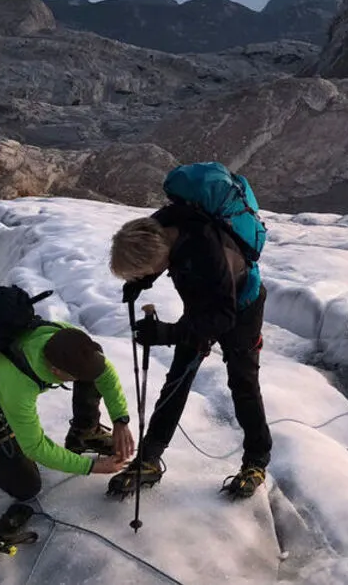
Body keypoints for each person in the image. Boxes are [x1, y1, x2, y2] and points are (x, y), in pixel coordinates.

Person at [106, 202, 272, 500]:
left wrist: (168, 333)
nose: (149, 273)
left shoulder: (208, 253)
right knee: (179, 377)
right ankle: (149, 458)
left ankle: (256, 461)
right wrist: (141, 281)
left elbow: (224, 317)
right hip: (202, 301)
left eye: (147, 270)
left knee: (243, 382)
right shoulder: (156, 228)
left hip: (241, 307)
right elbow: (155, 258)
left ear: (160, 258)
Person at [0, 325, 134, 501]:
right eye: (73, 376)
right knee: (27, 487)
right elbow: (36, 447)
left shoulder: (64, 337)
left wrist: (120, 420)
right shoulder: (17, 384)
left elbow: (104, 372)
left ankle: (85, 432)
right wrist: (92, 466)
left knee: (90, 372)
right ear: (55, 371)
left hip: (3, 389)